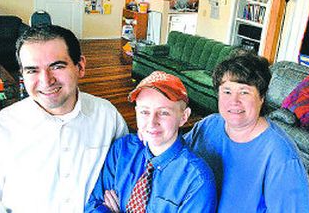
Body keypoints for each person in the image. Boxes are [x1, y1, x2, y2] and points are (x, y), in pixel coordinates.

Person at [0, 25, 128, 213]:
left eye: (57, 66)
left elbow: (126, 175)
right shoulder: (3, 127)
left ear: (80, 67)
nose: (46, 80)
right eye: (32, 70)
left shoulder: (107, 116)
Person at [184, 52, 309, 212]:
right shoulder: (209, 125)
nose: (234, 101)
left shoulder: (282, 157)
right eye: (227, 91)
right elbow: (176, 158)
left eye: (244, 92)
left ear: (262, 97)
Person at [85, 71, 217, 213]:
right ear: (136, 112)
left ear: (184, 117)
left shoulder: (196, 180)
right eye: (144, 112)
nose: (152, 122)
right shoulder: (122, 149)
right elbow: (93, 205)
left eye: (164, 112)